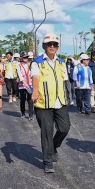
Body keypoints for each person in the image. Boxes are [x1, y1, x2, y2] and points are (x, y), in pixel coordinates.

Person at [31, 33, 71, 173]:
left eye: (54, 45)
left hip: (60, 101)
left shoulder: (61, 62)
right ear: (44, 46)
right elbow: (35, 77)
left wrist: (69, 96)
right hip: (43, 102)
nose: (52, 47)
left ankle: (53, 146)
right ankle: (47, 160)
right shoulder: (37, 62)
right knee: (47, 132)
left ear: (58, 47)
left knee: (64, 128)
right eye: (49, 44)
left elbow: (66, 80)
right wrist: (35, 91)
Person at [17, 51, 34, 120]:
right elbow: (20, 75)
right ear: (21, 58)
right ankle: (23, 112)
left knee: (30, 100)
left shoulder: (30, 64)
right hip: (22, 85)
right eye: (24, 57)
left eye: (26, 57)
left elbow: (33, 74)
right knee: (23, 99)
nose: (25, 59)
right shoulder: (19, 65)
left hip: (30, 84)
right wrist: (24, 82)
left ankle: (31, 115)